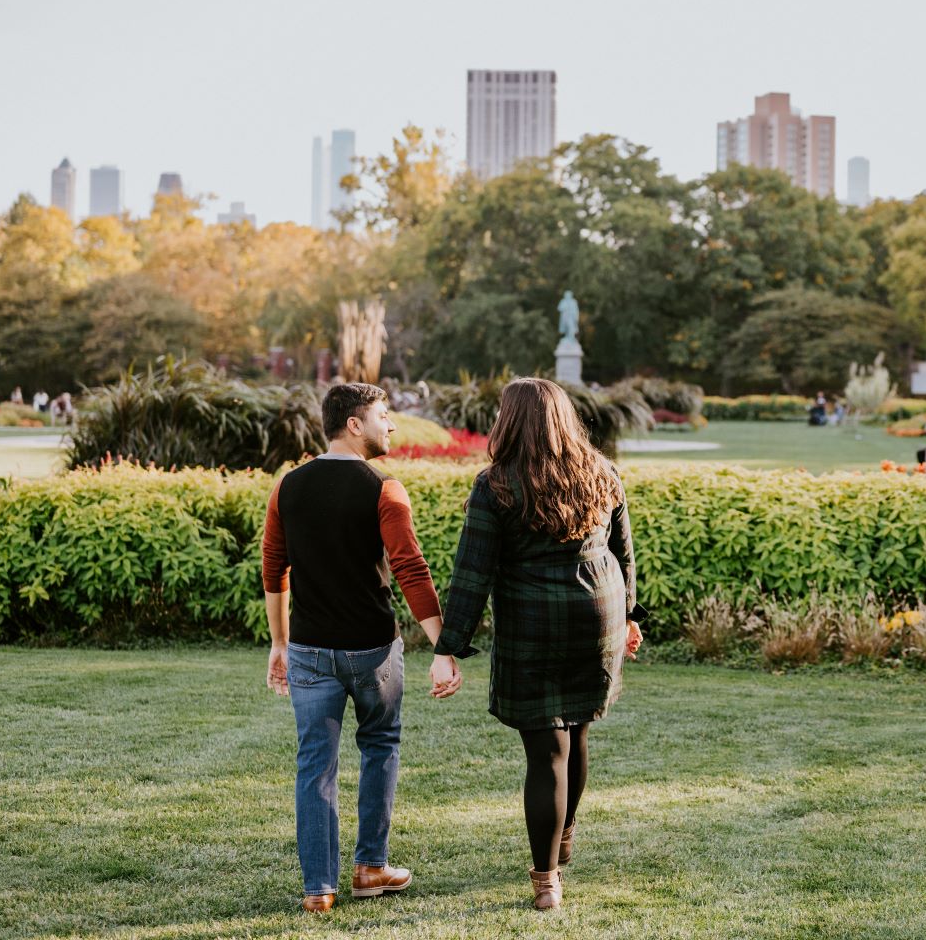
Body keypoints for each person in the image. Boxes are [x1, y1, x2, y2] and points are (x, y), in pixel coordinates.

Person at [432, 377, 645, 911]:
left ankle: (547, 880)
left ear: (510, 422)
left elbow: (471, 573)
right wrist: (630, 616)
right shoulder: (602, 472)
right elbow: (624, 555)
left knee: (547, 752)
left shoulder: (495, 484)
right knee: (578, 731)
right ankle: (564, 836)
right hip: (597, 619)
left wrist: (446, 647)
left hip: (533, 626)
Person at [261, 382, 455, 915]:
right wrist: (444, 645)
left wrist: (279, 643)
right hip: (372, 651)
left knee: (314, 765)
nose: (390, 425)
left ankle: (318, 889)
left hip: (308, 649)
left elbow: (273, 568)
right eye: (383, 415)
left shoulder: (288, 487)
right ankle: (371, 867)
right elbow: (411, 568)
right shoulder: (384, 488)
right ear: (353, 423)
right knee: (380, 745)